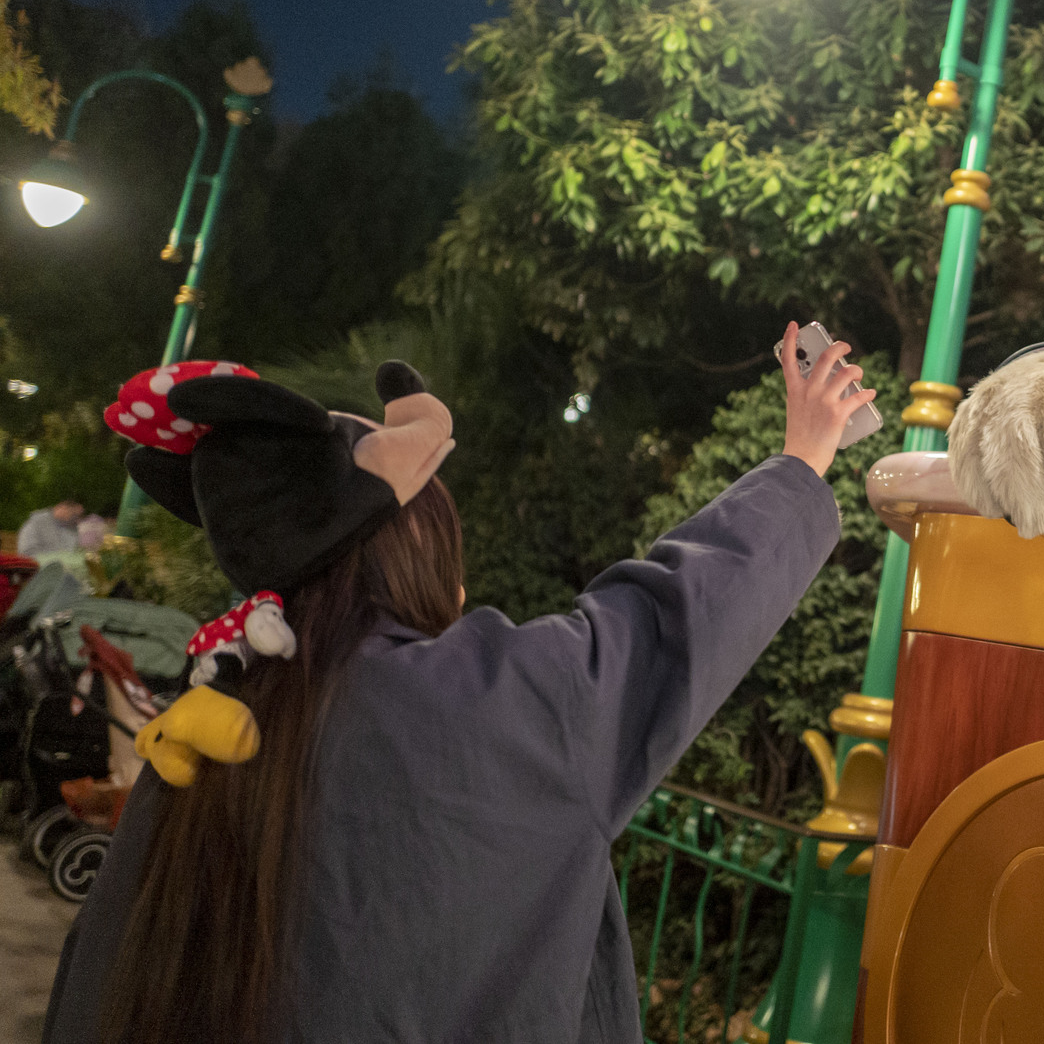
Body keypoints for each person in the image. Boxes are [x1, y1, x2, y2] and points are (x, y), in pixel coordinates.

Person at [43, 324, 876, 1044]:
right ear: (416, 553)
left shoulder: (205, 724)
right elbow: (674, 615)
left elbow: (92, 970)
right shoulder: (483, 705)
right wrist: (804, 458)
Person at [16, 499, 85, 558]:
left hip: (65, 567)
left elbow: (73, 552)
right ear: (62, 508)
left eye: (78, 516)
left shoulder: (72, 528)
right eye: (74, 514)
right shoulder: (36, 523)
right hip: (37, 566)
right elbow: (26, 553)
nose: (76, 519)